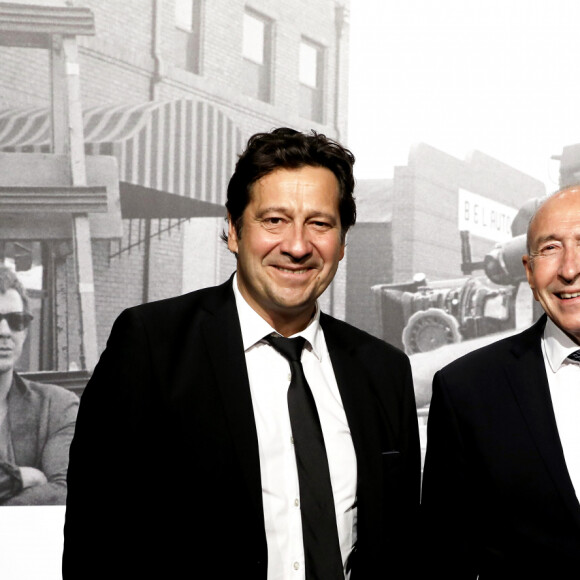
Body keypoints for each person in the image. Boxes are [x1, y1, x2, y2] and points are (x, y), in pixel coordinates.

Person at [63, 128, 420, 579]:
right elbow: (96, 542)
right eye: (274, 220)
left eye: (320, 223)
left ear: (343, 241)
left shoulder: (382, 371)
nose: (296, 245)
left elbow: (402, 548)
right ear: (232, 230)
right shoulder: (152, 345)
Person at [421, 184, 580, 578]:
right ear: (528, 270)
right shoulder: (466, 391)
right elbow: (444, 560)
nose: (570, 268)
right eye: (550, 248)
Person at [0, 265, 78, 506]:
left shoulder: (56, 407)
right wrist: (20, 478)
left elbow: (66, 490)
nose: (4, 331)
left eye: (16, 321)